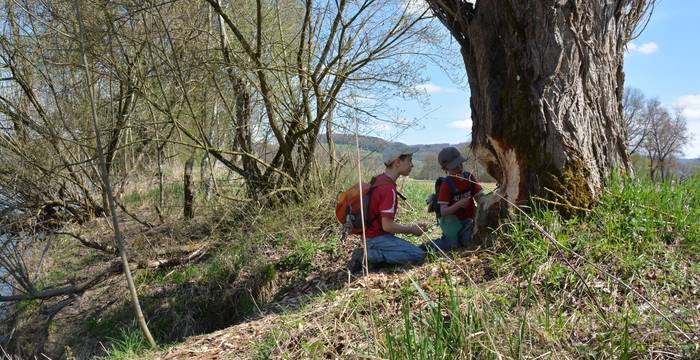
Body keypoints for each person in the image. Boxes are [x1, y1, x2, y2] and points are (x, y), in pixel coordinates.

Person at [348, 145, 426, 273]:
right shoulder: (388, 189)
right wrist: (412, 230)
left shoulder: (378, 179)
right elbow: (387, 226)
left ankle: (370, 253)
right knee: (418, 254)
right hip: (375, 238)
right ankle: (368, 257)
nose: (412, 165)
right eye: (409, 160)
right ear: (397, 162)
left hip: (368, 236)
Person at [426, 146, 483, 252]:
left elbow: (480, 198)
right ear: (445, 169)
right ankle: (426, 247)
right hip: (453, 225)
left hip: (470, 221)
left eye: (461, 164)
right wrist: (459, 204)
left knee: (468, 239)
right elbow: (443, 212)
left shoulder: (469, 177)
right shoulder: (446, 185)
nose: (459, 168)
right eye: (455, 167)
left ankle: (464, 237)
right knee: (451, 245)